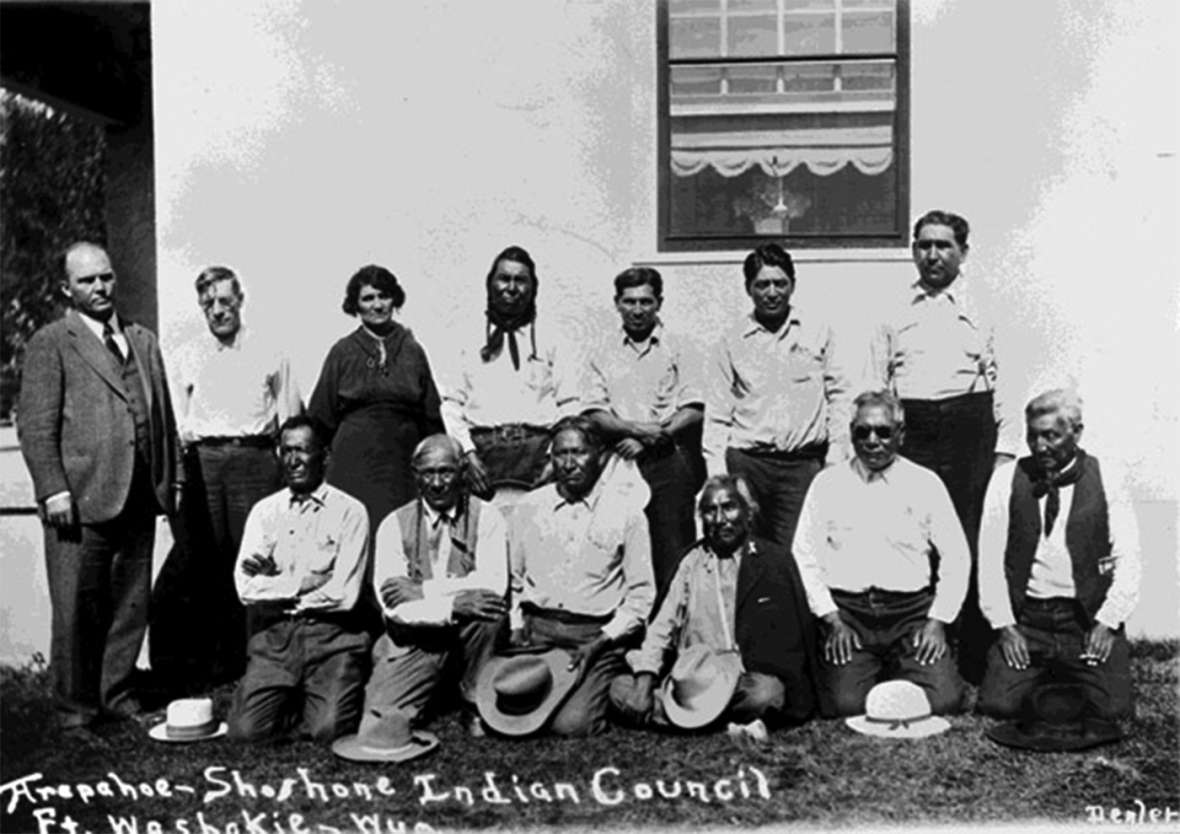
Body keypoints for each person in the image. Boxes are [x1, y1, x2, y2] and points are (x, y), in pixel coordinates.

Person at [17, 241, 183, 729]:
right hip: (80, 498)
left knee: (130, 604)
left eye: (106, 277)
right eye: (87, 281)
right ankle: (75, 709)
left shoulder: (142, 340)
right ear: (67, 288)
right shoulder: (53, 342)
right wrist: (53, 489)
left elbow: (164, 418)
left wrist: (170, 482)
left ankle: (118, 694)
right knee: (76, 608)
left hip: (137, 492)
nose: (100, 288)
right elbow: (36, 424)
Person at [867, 209, 1017, 682]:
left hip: (968, 426)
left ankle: (973, 652)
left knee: (971, 537)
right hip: (912, 429)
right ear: (913, 250)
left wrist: (1004, 453)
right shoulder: (891, 311)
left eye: (944, 245)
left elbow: (1005, 384)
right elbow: (877, 383)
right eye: (924, 245)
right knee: (910, 536)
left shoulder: (986, 308)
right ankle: (914, 649)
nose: (933, 254)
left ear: (963, 253)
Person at [792, 390, 970, 717]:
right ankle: (872, 670)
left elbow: (957, 556)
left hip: (910, 615)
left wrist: (937, 621)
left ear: (901, 435)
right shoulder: (827, 484)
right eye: (863, 432)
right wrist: (831, 619)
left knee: (945, 700)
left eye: (883, 432)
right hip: (850, 615)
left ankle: (901, 665)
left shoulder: (925, 483)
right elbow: (804, 555)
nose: (873, 441)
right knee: (844, 705)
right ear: (852, 434)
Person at [166, 265, 302, 683]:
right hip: (206, 464)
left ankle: (260, 659)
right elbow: (179, 419)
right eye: (209, 303)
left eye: (226, 301)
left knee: (255, 557)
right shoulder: (188, 353)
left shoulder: (269, 348)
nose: (218, 310)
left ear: (240, 300)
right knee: (209, 559)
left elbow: (290, 412)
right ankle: (217, 662)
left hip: (255, 461)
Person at [977, 390, 1141, 720]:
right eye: (1033, 436)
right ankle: (1048, 673)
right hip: (1028, 620)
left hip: (1084, 620)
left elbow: (1128, 556)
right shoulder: (1005, 479)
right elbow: (989, 559)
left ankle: (1066, 670)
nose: (1040, 446)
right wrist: (1005, 627)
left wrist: (1107, 622)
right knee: (998, 705)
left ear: (1076, 432)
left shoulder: (1107, 476)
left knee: (1113, 710)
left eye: (1051, 436)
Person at [610, 474, 819, 731]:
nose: (720, 520)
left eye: (729, 507)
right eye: (710, 511)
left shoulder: (773, 561)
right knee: (619, 688)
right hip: (695, 678)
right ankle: (707, 715)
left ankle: (683, 717)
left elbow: (791, 642)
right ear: (702, 520)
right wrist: (644, 681)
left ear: (748, 513)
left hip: (743, 681)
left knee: (767, 694)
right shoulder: (690, 563)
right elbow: (661, 628)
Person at [507, 415, 655, 735]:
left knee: (572, 725)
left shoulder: (627, 511)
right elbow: (514, 581)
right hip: (539, 632)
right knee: (513, 706)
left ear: (599, 457)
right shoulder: (529, 507)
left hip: (594, 637)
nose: (570, 463)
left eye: (579, 453)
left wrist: (603, 641)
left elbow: (641, 595)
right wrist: (518, 627)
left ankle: (609, 681)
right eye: (561, 454)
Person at [228, 416, 370, 743]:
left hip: (332, 636)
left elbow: (344, 595)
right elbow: (245, 588)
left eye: (303, 451)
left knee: (328, 730)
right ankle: (290, 699)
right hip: (276, 638)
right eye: (286, 451)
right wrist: (302, 583)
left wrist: (273, 585)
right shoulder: (265, 512)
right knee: (245, 733)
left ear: (325, 456)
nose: (293, 460)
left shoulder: (351, 512)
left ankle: (322, 694)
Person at [360, 434, 509, 739]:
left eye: (446, 471)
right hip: (417, 639)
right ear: (416, 476)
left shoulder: (487, 516)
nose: (438, 483)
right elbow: (394, 605)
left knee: (489, 612)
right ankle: (429, 689)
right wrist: (453, 603)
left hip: (468, 631)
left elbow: (493, 584)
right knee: (378, 722)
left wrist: (422, 590)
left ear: (462, 473)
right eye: (429, 473)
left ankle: (474, 698)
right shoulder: (393, 524)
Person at [703, 243, 850, 549]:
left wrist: (835, 459)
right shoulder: (731, 341)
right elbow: (717, 414)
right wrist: (720, 478)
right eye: (762, 284)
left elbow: (840, 398)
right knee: (749, 550)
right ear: (748, 289)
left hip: (802, 466)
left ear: (793, 285)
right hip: (748, 465)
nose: (772, 292)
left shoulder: (818, 332)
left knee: (800, 554)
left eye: (780, 283)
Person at [582, 266, 703, 599]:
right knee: (619, 549)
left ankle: (673, 637)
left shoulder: (680, 347)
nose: (638, 310)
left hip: (668, 462)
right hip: (617, 463)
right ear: (617, 303)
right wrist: (636, 432)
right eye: (630, 301)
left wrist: (653, 438)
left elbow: (693, 410)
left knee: (672, 551)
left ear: (659, 303)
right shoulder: (601, 351)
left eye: (646, 302)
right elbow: (594, 413)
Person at [438, 246, 578, 518]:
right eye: (504, 278)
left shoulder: (553, 337)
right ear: (490, 284)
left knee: (536, 536)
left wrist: (555, 458)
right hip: (482, 454)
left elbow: (569, 403)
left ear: (533, 288)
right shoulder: (463, 335)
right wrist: (468, 455)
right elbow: (451, 404)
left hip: (538, 452)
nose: (511, 288)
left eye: (520, 280)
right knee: (483, 537)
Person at [308, 264, 444, 533]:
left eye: (384, 296)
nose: (378, 305)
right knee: (354, 535)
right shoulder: (342, 351)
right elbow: (320, 418)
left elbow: (431, 418)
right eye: (368, 298)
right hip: (352, 465)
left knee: (401, 536)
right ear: (355, 306)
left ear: (395, 299)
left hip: (402, 467)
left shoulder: (413, 350)